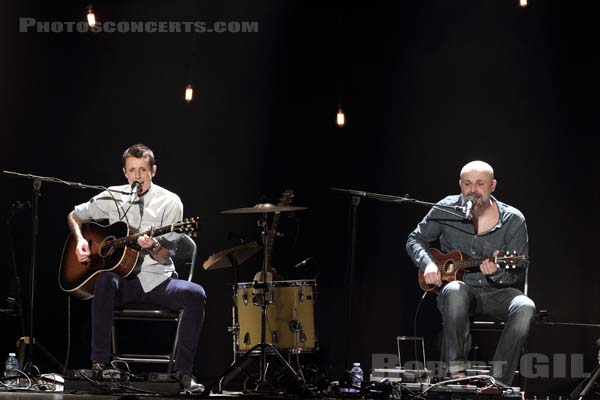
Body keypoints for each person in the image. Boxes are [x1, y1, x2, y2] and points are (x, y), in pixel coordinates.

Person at [67, 143, 206, 393]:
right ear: (124, 172)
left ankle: (183, 374)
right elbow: (75, 215)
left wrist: (152, 246)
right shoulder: (112, 195)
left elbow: (164, 256)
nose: (137, 176)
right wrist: (79, 240)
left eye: (143, 170)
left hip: (158, 281)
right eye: (132, 170)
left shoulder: (170, 201)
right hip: (123, 283)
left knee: (196, 294)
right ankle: (100, 366)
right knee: (104, 280)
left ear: (153, 171)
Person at [405, 160, 535, 386]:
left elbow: (518, 271)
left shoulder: (513, 219)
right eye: (467, 184)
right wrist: (428, 264)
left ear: (492, 185)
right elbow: (415, 239)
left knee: (525, 306)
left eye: (480, 184)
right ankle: (456, 375)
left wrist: (496, 273)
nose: (473, 190)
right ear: (460, 185)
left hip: (496, 292)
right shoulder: (446, 208)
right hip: (458, 294)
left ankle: (497, 384)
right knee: (455, 289)